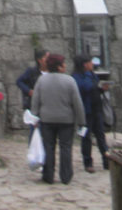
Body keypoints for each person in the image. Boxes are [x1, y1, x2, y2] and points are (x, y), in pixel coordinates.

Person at [31, 54, 85, 185]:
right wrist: (82, 121)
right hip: (66, 120)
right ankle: (66, 176)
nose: (65, 66)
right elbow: (77, 103)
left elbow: (35, 101)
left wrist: (34, 117)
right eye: (63, 64)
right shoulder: (69, 81)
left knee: (48, 147)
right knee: (66, 147)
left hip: (47, 119)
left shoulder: (41, 80)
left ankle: (48, 175)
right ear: (59, 66)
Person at [73, 54, 109, 171]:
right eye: (90, 63)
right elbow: (86, 87)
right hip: (85, 111)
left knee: (100, 135)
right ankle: (88, 162)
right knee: (86, 137)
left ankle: (106, 160)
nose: (92, 65)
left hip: (96, 109)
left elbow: (94, 88)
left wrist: (101, 89)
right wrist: (89, 75)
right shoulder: (77, 77)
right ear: (85, 65)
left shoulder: (92, 75)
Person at [16, 48, 49, 142]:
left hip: (48, 105)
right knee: (35, 129)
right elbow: (19, 81)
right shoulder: (32, 72)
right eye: (46, 58)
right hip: (35, 105)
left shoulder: (52, 72)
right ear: (40, 60)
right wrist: (29, 91)